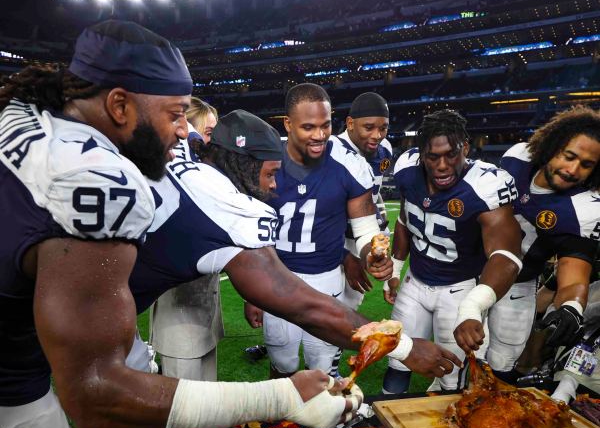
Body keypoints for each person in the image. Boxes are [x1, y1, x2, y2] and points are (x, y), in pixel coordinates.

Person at [0, 21, 355, 428]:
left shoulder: (36, 118)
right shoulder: (92, 176)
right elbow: (96, 394)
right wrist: (277, 397)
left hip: (27, 335)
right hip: (10, 371)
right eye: (174, 113)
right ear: (119, 105)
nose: (184, 133)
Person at [129, 110, 461, 381]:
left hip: (114, 295)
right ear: (245, 164)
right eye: (270, 174)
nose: (273, 186)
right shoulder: (229, 205)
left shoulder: (191, 162)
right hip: (108, 312)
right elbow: (305, 307)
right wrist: (401, 347)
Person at [245, 83, 393, 377]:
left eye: (325, 125)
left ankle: (325, 423)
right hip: (277, 276)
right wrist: (252, 293)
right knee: (283, 362)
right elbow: (250, 232)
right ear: (288, 124)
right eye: (309, 127)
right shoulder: (264, 162)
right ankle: (283, 422)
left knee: (323, 366)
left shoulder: (349, 164)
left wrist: (369, 254)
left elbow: (364, 229)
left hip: (325, 278)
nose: (319, 135)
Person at [383, 109, 523, 394]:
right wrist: (396, 268)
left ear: (466, 149)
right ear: (420, 153)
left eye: (451, 155)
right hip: (416, 283)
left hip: (459, 290)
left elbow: (507, 255)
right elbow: (405, 220)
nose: (443, 165)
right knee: (398, 362)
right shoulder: (407, 171)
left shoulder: (484, 185)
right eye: (433, 157)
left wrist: (474, 306)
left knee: (451, 376)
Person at [489, 105, 600, 383]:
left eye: (586, 165)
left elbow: (574, 274)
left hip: (517, 288)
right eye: (569, 156)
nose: (573, 169)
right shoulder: (517, 158)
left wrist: (571, 308)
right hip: (470, 275)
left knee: (500, 368)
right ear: (552, 146)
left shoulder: (584, 210)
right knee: (454, 360)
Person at [150, 98, 224, 380]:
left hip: (205, 316)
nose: (212, 140)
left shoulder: (204, 169)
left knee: (209, 412)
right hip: (179, 323)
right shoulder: (169, 171)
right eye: (208, 131)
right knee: (185, 414)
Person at [335, 92, 394, 310]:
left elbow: (374, 191)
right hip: (334, 238)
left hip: (362, 234)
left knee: (350, 306)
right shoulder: (332, 151)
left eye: (383, 128)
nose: (377, 135)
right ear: (350, 123)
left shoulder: (385, 150)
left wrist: (380, 217)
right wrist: (343, 255)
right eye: (368, 128)